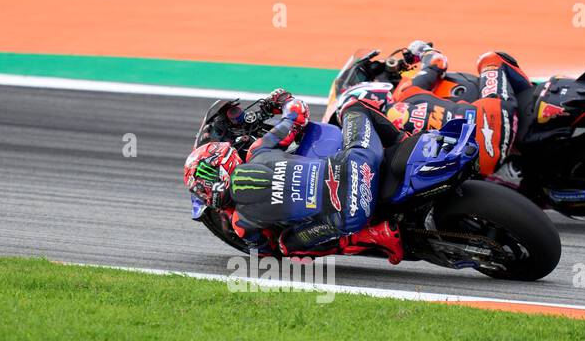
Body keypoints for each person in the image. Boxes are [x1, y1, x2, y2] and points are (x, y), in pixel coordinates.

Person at [183, 89, 405, 263]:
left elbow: (266, 252)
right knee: (352, 107)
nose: (204, 195)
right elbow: (298, 114)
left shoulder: (241, 223)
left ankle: (374, 235)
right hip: (360, 165)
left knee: (286, 246)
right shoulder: (257, 151)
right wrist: (282, 99)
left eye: (202, 189)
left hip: (353, 214)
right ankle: (403, 141)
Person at [352, 41, 533, 185]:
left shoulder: (382, 142)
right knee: (492, 58)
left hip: (483, 163)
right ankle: (532, 97)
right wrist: (422, 50)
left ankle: (511, 178)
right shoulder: (406, 92)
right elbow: (437, 62)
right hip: (493, 118)